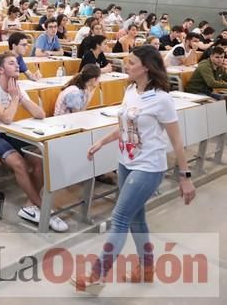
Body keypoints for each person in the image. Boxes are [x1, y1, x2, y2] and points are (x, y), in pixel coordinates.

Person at [75, 46, 195, 292]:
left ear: (146, 67)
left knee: (119, 217)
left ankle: (98, 274)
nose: (126, 66)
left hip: (149, 166)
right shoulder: (130, 90)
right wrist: (101, 142)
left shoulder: (162, 99)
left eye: (131, 63)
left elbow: (176, 140)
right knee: (136, 218)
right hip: (125, 162)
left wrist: (185, 176)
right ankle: (146, 269)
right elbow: (126, 126)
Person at [0, 52, 68, 231]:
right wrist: (15, 97)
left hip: (8, 132)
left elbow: (40, 114)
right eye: (11, 63)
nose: (17, 66)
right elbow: (6, 119)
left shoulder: (17, 87)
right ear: (0, 69)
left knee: (39, 158)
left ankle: (29, 206)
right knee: (18, 163)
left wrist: (21, 97)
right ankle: (42, 206)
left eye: (17, 63)